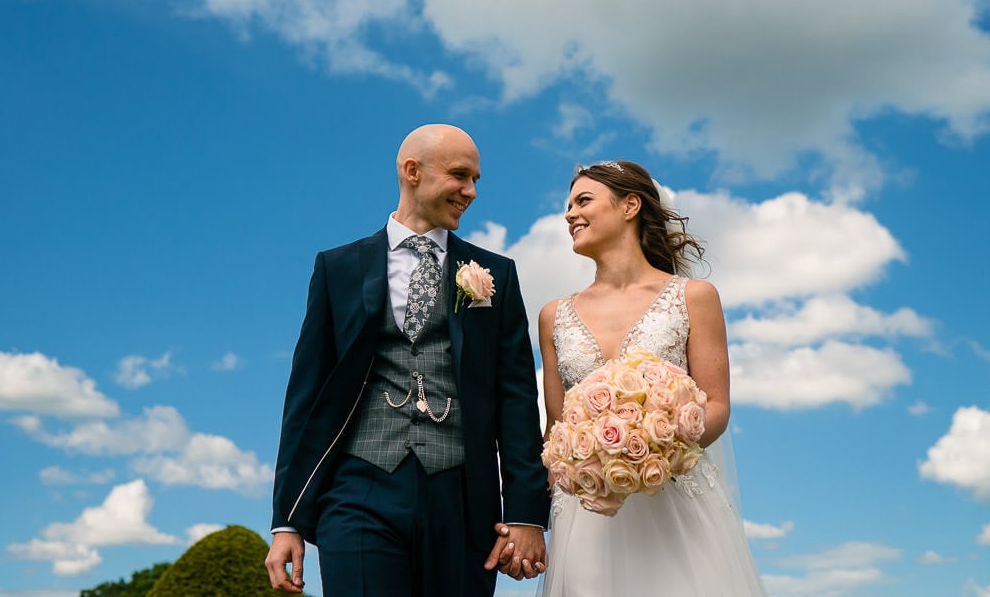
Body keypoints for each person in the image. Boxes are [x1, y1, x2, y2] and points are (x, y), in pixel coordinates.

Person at [265, 124, 550, 596]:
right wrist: (286, 521)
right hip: (357, 489)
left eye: (476, 179)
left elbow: (516, 397)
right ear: (412, 171)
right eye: (460, 175)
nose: (471, 191)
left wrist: (524, 513)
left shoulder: (496, 274)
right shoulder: (337, 268)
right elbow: (306, 396)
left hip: (462, 497)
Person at [537, 160, 765, 596]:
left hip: (676, 499)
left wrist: (654, 452)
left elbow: (715, 405)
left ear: (630, 206)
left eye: (583, 201)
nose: (569, 214)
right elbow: (556, 426)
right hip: (588, 515)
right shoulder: (552, 315)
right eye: (567, 206)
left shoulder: (693, 297)